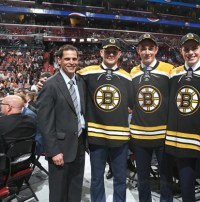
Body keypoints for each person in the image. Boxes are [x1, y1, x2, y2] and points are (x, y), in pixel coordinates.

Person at [165, 33, 200, 202]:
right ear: (181, 51)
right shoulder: (173, 74)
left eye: (194, 48)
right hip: (181, 142)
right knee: (186, 189)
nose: (191, 53)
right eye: (187, 49)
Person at [77, 37, 133, 202]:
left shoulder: (127, 77)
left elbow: (132, 104)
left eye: (114, 51)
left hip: (121, 137)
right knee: (96, 177)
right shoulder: (87, 72)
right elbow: (66, 82)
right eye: (107, 51)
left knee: (120, 178)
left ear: (119, 54)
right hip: (97, 136)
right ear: (101, 52)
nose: (110, 54)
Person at [37, 44, 88, 202]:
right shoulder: (50, 84)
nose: (71, 62)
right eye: (67, 59)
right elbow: (45, 122)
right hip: (60, 148)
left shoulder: (81, 82)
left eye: (74, 59)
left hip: (79, 144)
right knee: (58, 193)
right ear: (59, 60)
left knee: (75, 188)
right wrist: (53, 151)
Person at [130, 33, 174, 202]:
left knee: (165, 177)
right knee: (143, 179)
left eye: (150, 48)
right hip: (140, 136)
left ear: (156, 50)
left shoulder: (169, 70)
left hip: (163, 134)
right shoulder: (133, 72)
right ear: (138, 51)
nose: (147, 52)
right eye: (143, 48)